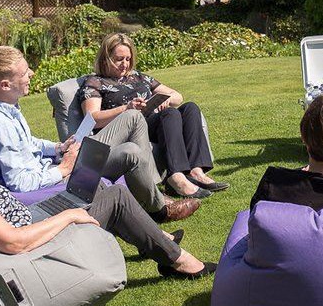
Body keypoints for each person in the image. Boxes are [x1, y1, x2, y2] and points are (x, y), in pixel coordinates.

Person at [0, 100, 214, 279]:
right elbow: (13, 243)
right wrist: (67, 216)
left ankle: (159, 241)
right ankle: (179, 261)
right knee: (115, 196)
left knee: (90, 189)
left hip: (31, 216)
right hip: (34, 237)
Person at [0, 45, 200, 223]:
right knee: (131, 144)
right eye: (25, 73)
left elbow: (28, 144)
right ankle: (158, 207)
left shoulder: (9, 111)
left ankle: (155, 201)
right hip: (64, 172)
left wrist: (57, 147)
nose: (32, 74)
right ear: (6, 84)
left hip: (61, 161)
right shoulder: (0, 124)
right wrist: (63, 168)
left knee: (132, 120)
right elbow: (19, 183)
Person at [79, 33, 227, 200]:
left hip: (155, 120)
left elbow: (178, 96)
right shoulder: (95, 82)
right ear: (105, 58)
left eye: (128, 59)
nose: (125, 64)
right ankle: (175, 177)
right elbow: (93, 118)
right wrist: (126, 108)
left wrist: (166, 99)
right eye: (119, 59)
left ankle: (196, 171)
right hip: (132, 129)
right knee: (169, 114)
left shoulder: (139, 76)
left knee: (190, 108)